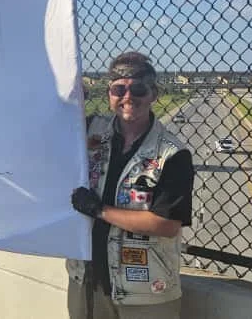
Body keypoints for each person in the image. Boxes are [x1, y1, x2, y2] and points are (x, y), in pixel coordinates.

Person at [67, 52, 195, 319]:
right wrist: (70, 93)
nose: (128, 97)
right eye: (118, 89)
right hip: (87, 279)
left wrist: (99, 210)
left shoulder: (171, 154)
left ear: (153, 94)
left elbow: (166, 224)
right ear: (109, 94)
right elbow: (47, 131)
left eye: (138, 89)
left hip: (146, 292)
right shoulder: (91, 131)